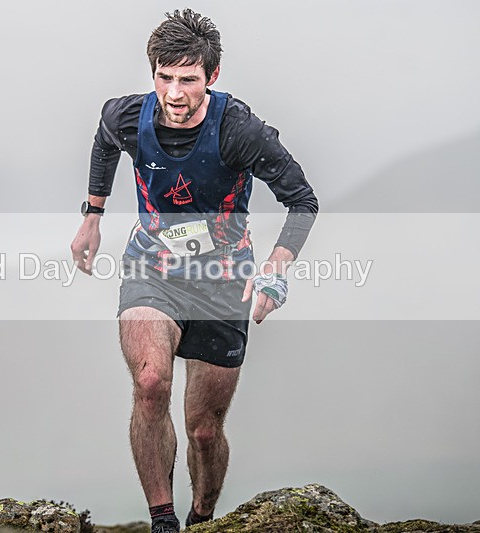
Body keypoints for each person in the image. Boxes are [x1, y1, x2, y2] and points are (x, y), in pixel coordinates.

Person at [70, 9, 318, 533]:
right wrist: (92, 215)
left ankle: (202, 517)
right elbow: (103, 140)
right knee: (151, 381)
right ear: (152, 72)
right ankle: (163, 522)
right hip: (152, 267)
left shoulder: (241, 131)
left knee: (204, 430)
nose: (174, 93)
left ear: (213, 76)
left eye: (188, 79)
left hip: (225, 280)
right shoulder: (127, 116)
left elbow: (303, 201)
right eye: (164, 77)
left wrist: (276, 269)